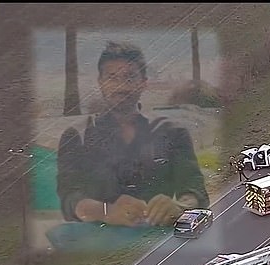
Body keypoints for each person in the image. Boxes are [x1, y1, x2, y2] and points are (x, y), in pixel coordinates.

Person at [56, 41, 209, 228]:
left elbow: (196, 192)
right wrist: (106, 212)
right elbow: (70, 199)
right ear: (100, 83)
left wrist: (180, 208)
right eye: (112, 77)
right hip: (97, 244)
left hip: (158, 239)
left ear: (143, 82)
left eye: (130, 77)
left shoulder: (173, 132)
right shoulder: (76, 136)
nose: (121, 86)